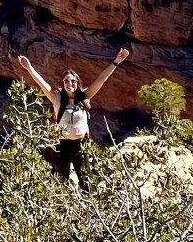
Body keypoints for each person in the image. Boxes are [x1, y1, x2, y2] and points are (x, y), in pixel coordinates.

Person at [15, 47, 130, 189]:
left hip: (81, 145)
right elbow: (41, 82)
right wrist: (29, 67)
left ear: (77, 82)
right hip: (61, 145)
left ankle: (86, 208)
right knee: (60, 182)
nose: (70, 84)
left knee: (86, 182)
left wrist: (116, 61)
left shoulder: (84, 97)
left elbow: (102, 79)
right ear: (63, 83)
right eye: (67, 81)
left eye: (73, 81)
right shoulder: (56, 98)